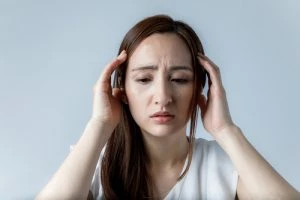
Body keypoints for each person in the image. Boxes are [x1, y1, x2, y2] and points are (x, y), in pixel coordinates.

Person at [36, 14, 299, 200]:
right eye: (143, 79)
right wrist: (99, 125)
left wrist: (226, 130)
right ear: (122, 90)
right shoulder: (93, 161)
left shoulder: (225, 165)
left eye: (180, 79)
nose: (163, 96)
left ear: (199, 88)